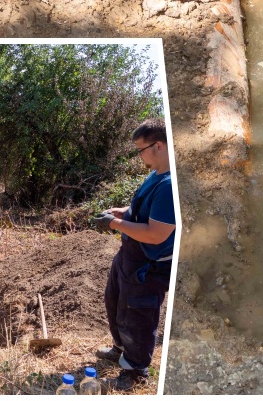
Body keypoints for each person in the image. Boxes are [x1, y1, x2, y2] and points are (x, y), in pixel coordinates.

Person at [92, 119, 177, 391]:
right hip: (130, 254)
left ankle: (136, 370)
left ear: (159, 145)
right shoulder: (156, 173)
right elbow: (144, 208)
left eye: (141, 149)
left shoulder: (170, 185)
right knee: (115, 301)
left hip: (148, 265)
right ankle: (120, 349)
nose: (138, 155)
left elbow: (155, 233)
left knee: (137, 315)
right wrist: (121, 212)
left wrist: (114, 224)